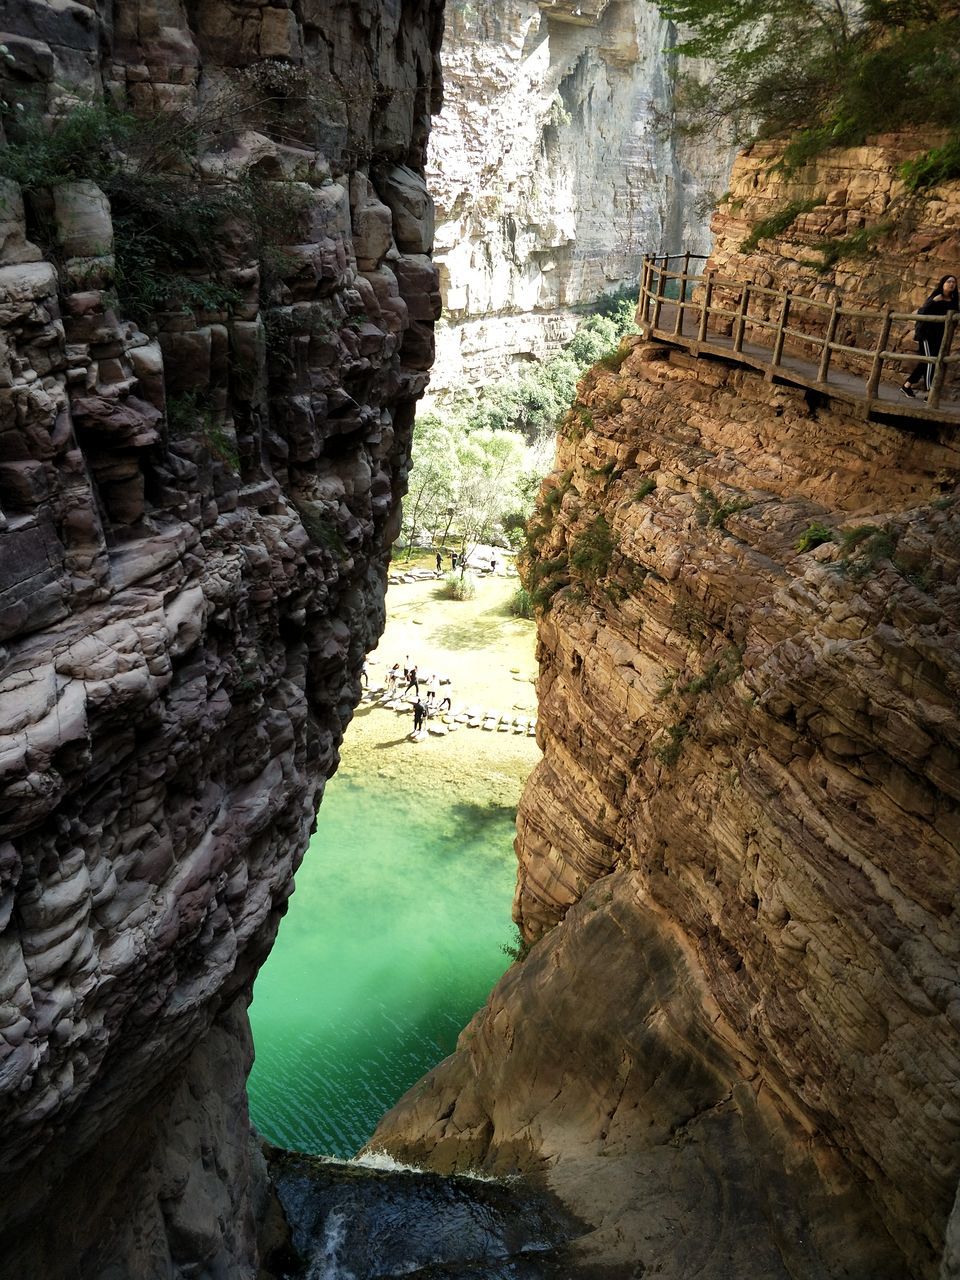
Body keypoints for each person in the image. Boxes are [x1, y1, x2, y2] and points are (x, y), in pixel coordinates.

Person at [902, 274, 959, 397]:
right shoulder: (936, 297)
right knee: (930, 361)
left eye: (954, 282)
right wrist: (933, 301)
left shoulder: (954, 301)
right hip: (927, 334)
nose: (951, 284)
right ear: (943, 283)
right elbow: (922, 311)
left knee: (926, 361)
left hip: (940, 336)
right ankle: (929, 392)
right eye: (949, 281)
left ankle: (907, 385)